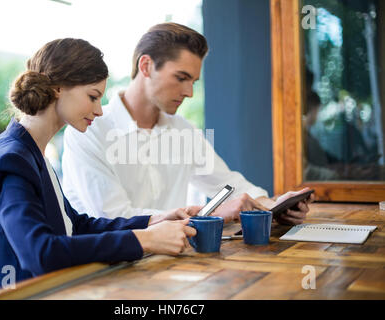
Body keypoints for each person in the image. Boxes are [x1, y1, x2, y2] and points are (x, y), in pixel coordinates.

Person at [0, 38, 200, 291]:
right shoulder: (13, 158)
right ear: (58, 88)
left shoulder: (32, 152)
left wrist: (153, 221)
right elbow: (40, 253)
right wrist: (144, 240)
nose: (100, 110)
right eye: (93, 96)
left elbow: (76, 225)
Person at [62, 23, 313, 226]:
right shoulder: (89, 130)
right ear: (146, 66)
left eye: (193, 81)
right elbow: (113, 217)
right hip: (105, 274)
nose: (189, 92)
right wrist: (211, 213)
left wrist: (273, 205)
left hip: (171, 264)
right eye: (181, 78)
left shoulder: (182, 130)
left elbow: (227, 185)